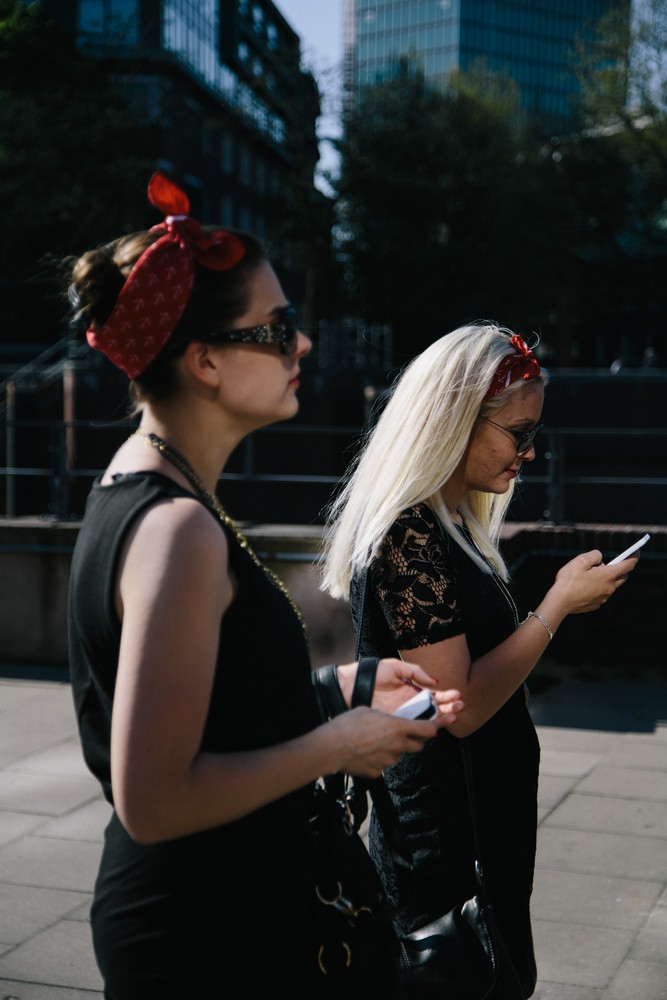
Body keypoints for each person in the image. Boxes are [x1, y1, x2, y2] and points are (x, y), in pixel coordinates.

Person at [65, 171, 465, 999]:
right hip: (203, 934)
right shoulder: (177, 529)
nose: (302, 346)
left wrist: (338, 686)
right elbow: (154, 797)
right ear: (204, 360)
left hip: (214, 909)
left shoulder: (147, 487)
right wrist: (340, 743)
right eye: (278, 329)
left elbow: (210, 707)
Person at [320, 323, 640, 998]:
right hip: (439, 832)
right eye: (516, 433)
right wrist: (552, 610)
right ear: (453, 419)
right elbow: (455, 705)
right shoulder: (408, 533)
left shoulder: (449, 517)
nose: (528, 452)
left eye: (533, 434)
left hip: (473, 818)